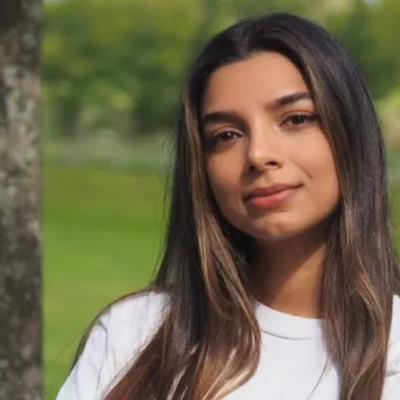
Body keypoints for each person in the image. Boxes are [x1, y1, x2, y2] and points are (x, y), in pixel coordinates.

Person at [56, 12, 400, 400]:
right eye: (226, 135)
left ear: (351, 134)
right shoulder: (134, 335)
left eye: (296, 119)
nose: (258, 154)